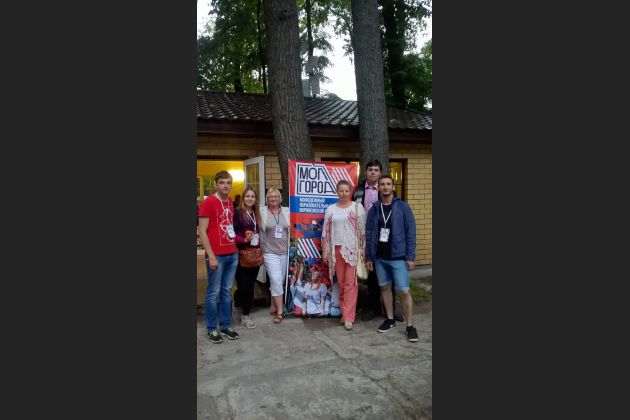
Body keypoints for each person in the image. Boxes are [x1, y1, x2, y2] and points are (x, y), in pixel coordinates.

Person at [365, 174, 420, 342]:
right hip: (380, 257)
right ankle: (390, 320)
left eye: (388, 184)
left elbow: (411, 233)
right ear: (379, 188)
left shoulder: (403, 207)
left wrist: (410, 257)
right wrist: (369, 257)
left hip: (398, 257)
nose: (385, 187)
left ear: (393, 187)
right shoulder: (375, 209)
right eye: (382, 184)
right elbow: (369, 233)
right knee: (385, 288)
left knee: (404, 291)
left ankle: (410, 326)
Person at [352, 160, 404, 323]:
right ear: (365, 172)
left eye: (376, 170)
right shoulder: (359, 190)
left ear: (380, 172)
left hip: (385, 235)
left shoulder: (385, 189)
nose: (373, 172)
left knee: (389, 275)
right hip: (366, 236)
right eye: (370, 170)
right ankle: (374, 307)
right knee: (372, 275)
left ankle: (390, 310)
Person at [198, 170, 240, 344]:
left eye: (228, 182)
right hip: (217, 255)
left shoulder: (230, 202)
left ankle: (225, 325)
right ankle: (211, 328)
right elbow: (202, 231)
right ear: (216, 184)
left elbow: (228, 226)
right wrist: (211, 255)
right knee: (213, 292)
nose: (225, 185)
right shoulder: (208, 202)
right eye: (222, 182)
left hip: (231, 253)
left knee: (226, 291)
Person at [321, 180, 366, 331]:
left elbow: (363, 231)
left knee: (351, 284)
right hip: (336, 250)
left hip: (352, 249)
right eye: (341, 191)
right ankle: (345, 311)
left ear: (350, 191)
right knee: (341, 283)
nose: (344, 194)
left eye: (347, 191)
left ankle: (348, 317)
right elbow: (325, 232)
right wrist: (325, 250)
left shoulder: (357, 207)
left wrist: (363, 250)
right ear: (337, 192)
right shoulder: (331, 209)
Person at [232, 187, 263, 329]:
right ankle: (240, 305)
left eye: (253, 196)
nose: (250, 199)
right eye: (247, 196)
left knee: (250, 286)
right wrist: (243, 240)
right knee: (243, 287)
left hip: (254, 254)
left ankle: (245, 314)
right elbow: (231, 233)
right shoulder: (237, 213)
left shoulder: (257, 214)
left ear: (255, 199)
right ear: (243, 198)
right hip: (241, 254)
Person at [259, 188, 291, 324]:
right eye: (270, 196)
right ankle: (280, 311)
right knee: (277, 280)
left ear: (280, 198)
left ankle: (273, 305)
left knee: (279, 281)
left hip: (285, 252)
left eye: (276, 196)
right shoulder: (261, 211)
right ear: (267, 199)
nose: (273, 198)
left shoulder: (287, 211)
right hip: (269, 252)